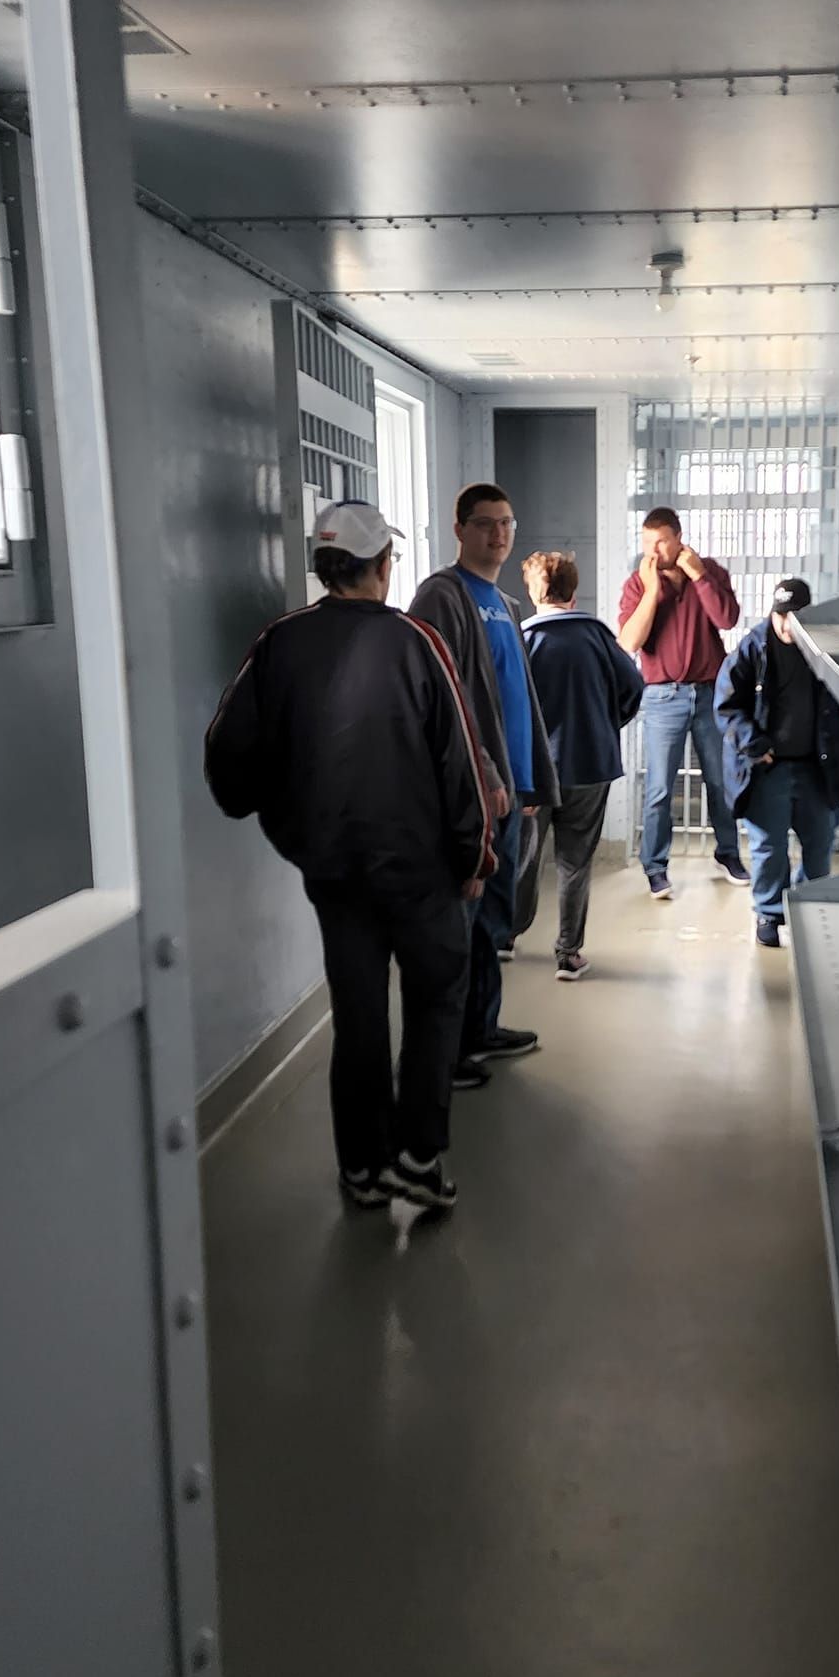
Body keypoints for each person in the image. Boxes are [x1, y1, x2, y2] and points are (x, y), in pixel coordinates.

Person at [204, 501, 494, 1213]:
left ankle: (362, 1169)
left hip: (332, 871)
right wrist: (474, 859)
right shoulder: (417, 643)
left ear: (323, 564)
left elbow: (226, 754)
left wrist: (283, 819)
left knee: (358, 1014)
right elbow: (460, 763)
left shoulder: (278, 642)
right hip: (422, 871)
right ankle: (418, 1159)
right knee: (435, 1001)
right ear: (383, 566)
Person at [409, 483, 561, 1084]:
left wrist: (526, 782)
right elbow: (442, 698)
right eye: (484, 523)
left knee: (494, 923)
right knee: (458, 925)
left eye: (506, 523)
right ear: (459, 529)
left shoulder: (504, 602)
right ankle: (441, 1057)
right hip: (472, 792)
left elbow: (515, 699)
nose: (498, 534)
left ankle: (480, 1028)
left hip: (509, 792)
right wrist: (487, 770)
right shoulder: (442, 596)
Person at [516, 550, 644, 979]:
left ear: (533, 592)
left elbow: (506, 705)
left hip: (535, 770)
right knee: (575, 862)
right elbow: (633, 685)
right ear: (573, 592)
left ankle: (504, 935)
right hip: (590, 764)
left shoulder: (523, 640)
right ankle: (568, 953)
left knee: (525, 856)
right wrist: (606, 724)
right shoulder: (598, 637)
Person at [617, 505, 749, 900]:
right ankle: (655, 867)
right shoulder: (638, 583)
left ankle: (728, 853)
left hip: (710, 693)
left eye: (661, 541)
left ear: (678, 539)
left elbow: (727, 620)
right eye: (647, 542)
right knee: (659, 788)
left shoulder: (709, 571)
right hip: (662, 698)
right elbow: (630, 641)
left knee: (721, 781)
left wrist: (699, 576)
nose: (653, 550)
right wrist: (652, 592)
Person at [715, 576, 839, 949]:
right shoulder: (753, 648)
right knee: (769, 847)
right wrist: (754, 744)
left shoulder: (824, 650)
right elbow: (726, 705)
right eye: (781, 616)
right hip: (766, 768)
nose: (787, 625)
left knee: (820, 842)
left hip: (816, 766)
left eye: (795, 617)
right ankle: (769, 913)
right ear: (772, 613)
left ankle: (810, 906)